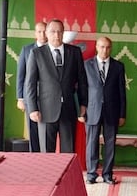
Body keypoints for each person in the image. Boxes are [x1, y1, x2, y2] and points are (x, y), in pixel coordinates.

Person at [24, 19, 88, 153]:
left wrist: (83, 104)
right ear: (47, 33)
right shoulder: (36, 53)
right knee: (47, 153)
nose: (56, 35)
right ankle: (47, 175)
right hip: (45, 111)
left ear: (63, 33)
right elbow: (30, 83)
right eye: (53, 32)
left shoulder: (75, 52)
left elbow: (82, 80)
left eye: (59, 32)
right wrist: (32, 108)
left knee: (68, 152)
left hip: (68, 110)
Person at [81, 36, 127, 184]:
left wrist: (122, 114)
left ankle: (107, 174)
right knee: (91, 143)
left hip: (112, 111)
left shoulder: (118, 66)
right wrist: (81, 111)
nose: (104, 50)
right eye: (101, 47)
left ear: (111, 48)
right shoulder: (86, 65)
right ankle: (91, 174)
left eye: (107, 47)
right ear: (96, 47)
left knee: (110, 144)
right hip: (92, 111)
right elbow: (81, 90)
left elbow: (122, 92)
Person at [16, 21, 47, 151]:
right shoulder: (27, 49)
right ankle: (34, 156)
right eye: (39, 31)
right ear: (35, 33)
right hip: (30, 96)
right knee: (33, 129)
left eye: (44, 31)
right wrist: (20, 98)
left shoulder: (52, 50)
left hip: (47, 97)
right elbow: (21, 74)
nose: (42, 34)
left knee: (45, 131)